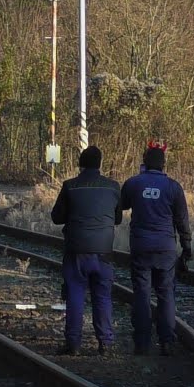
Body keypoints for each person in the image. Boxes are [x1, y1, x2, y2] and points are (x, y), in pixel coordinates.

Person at [120, 143, 192, 356]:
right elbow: (182, 220)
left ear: (145, 163)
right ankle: (167, 341)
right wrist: (186, 247)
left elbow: (121, 206)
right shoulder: (173, 187)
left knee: (142, 293)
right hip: (166, 248)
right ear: (163, 165)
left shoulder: (133, 183)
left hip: (141, 246)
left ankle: (142, 342)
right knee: (165, 293)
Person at [50, 145, 122, 355]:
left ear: (80, 164)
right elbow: (117, 218)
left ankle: (73, 343)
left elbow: (56, 217)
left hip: (76, 251)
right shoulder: (113, 187)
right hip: (104, 252)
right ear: (100, 164)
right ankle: (106, 343)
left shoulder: (70, 186)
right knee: (103, 297)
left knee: (75, 295)